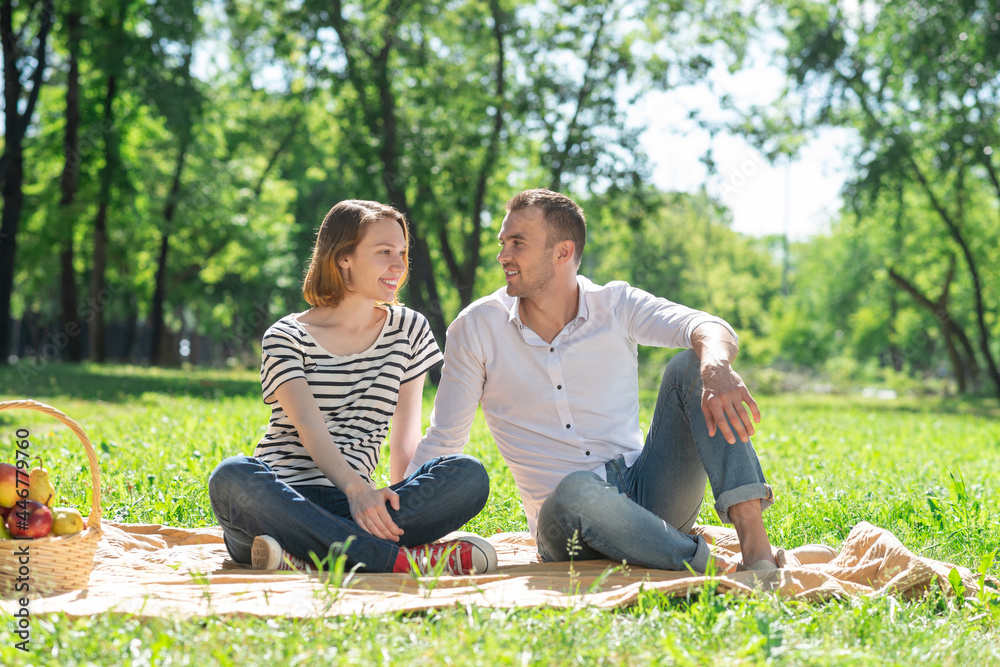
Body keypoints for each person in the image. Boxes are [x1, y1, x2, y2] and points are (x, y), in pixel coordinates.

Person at [404, 188, 777, 573]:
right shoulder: (476, 327)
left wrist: (715, 366)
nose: (503, 256)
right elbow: (445, 439)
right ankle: (706, 568)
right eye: (502, 243)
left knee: (690, 364)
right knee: (577, 488)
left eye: (517, 243)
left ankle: (757, 552)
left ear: (563, 253)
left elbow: (707, 325)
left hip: (649, 494)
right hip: (566, 523)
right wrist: (402, 513)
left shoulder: (615, 304)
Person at [209, 200, 496, 575]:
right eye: (383, 252)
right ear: (343, 257)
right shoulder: (286, 336)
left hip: (358, 510)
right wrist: (356, 489)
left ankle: (304, 556)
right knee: (232, 477)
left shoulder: (409, 329)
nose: (399, 265)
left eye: (402, 252)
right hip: (281, 504)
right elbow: (310, 428)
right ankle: (397, 560)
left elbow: (403, 436)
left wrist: (394, 504)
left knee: (468, 475)